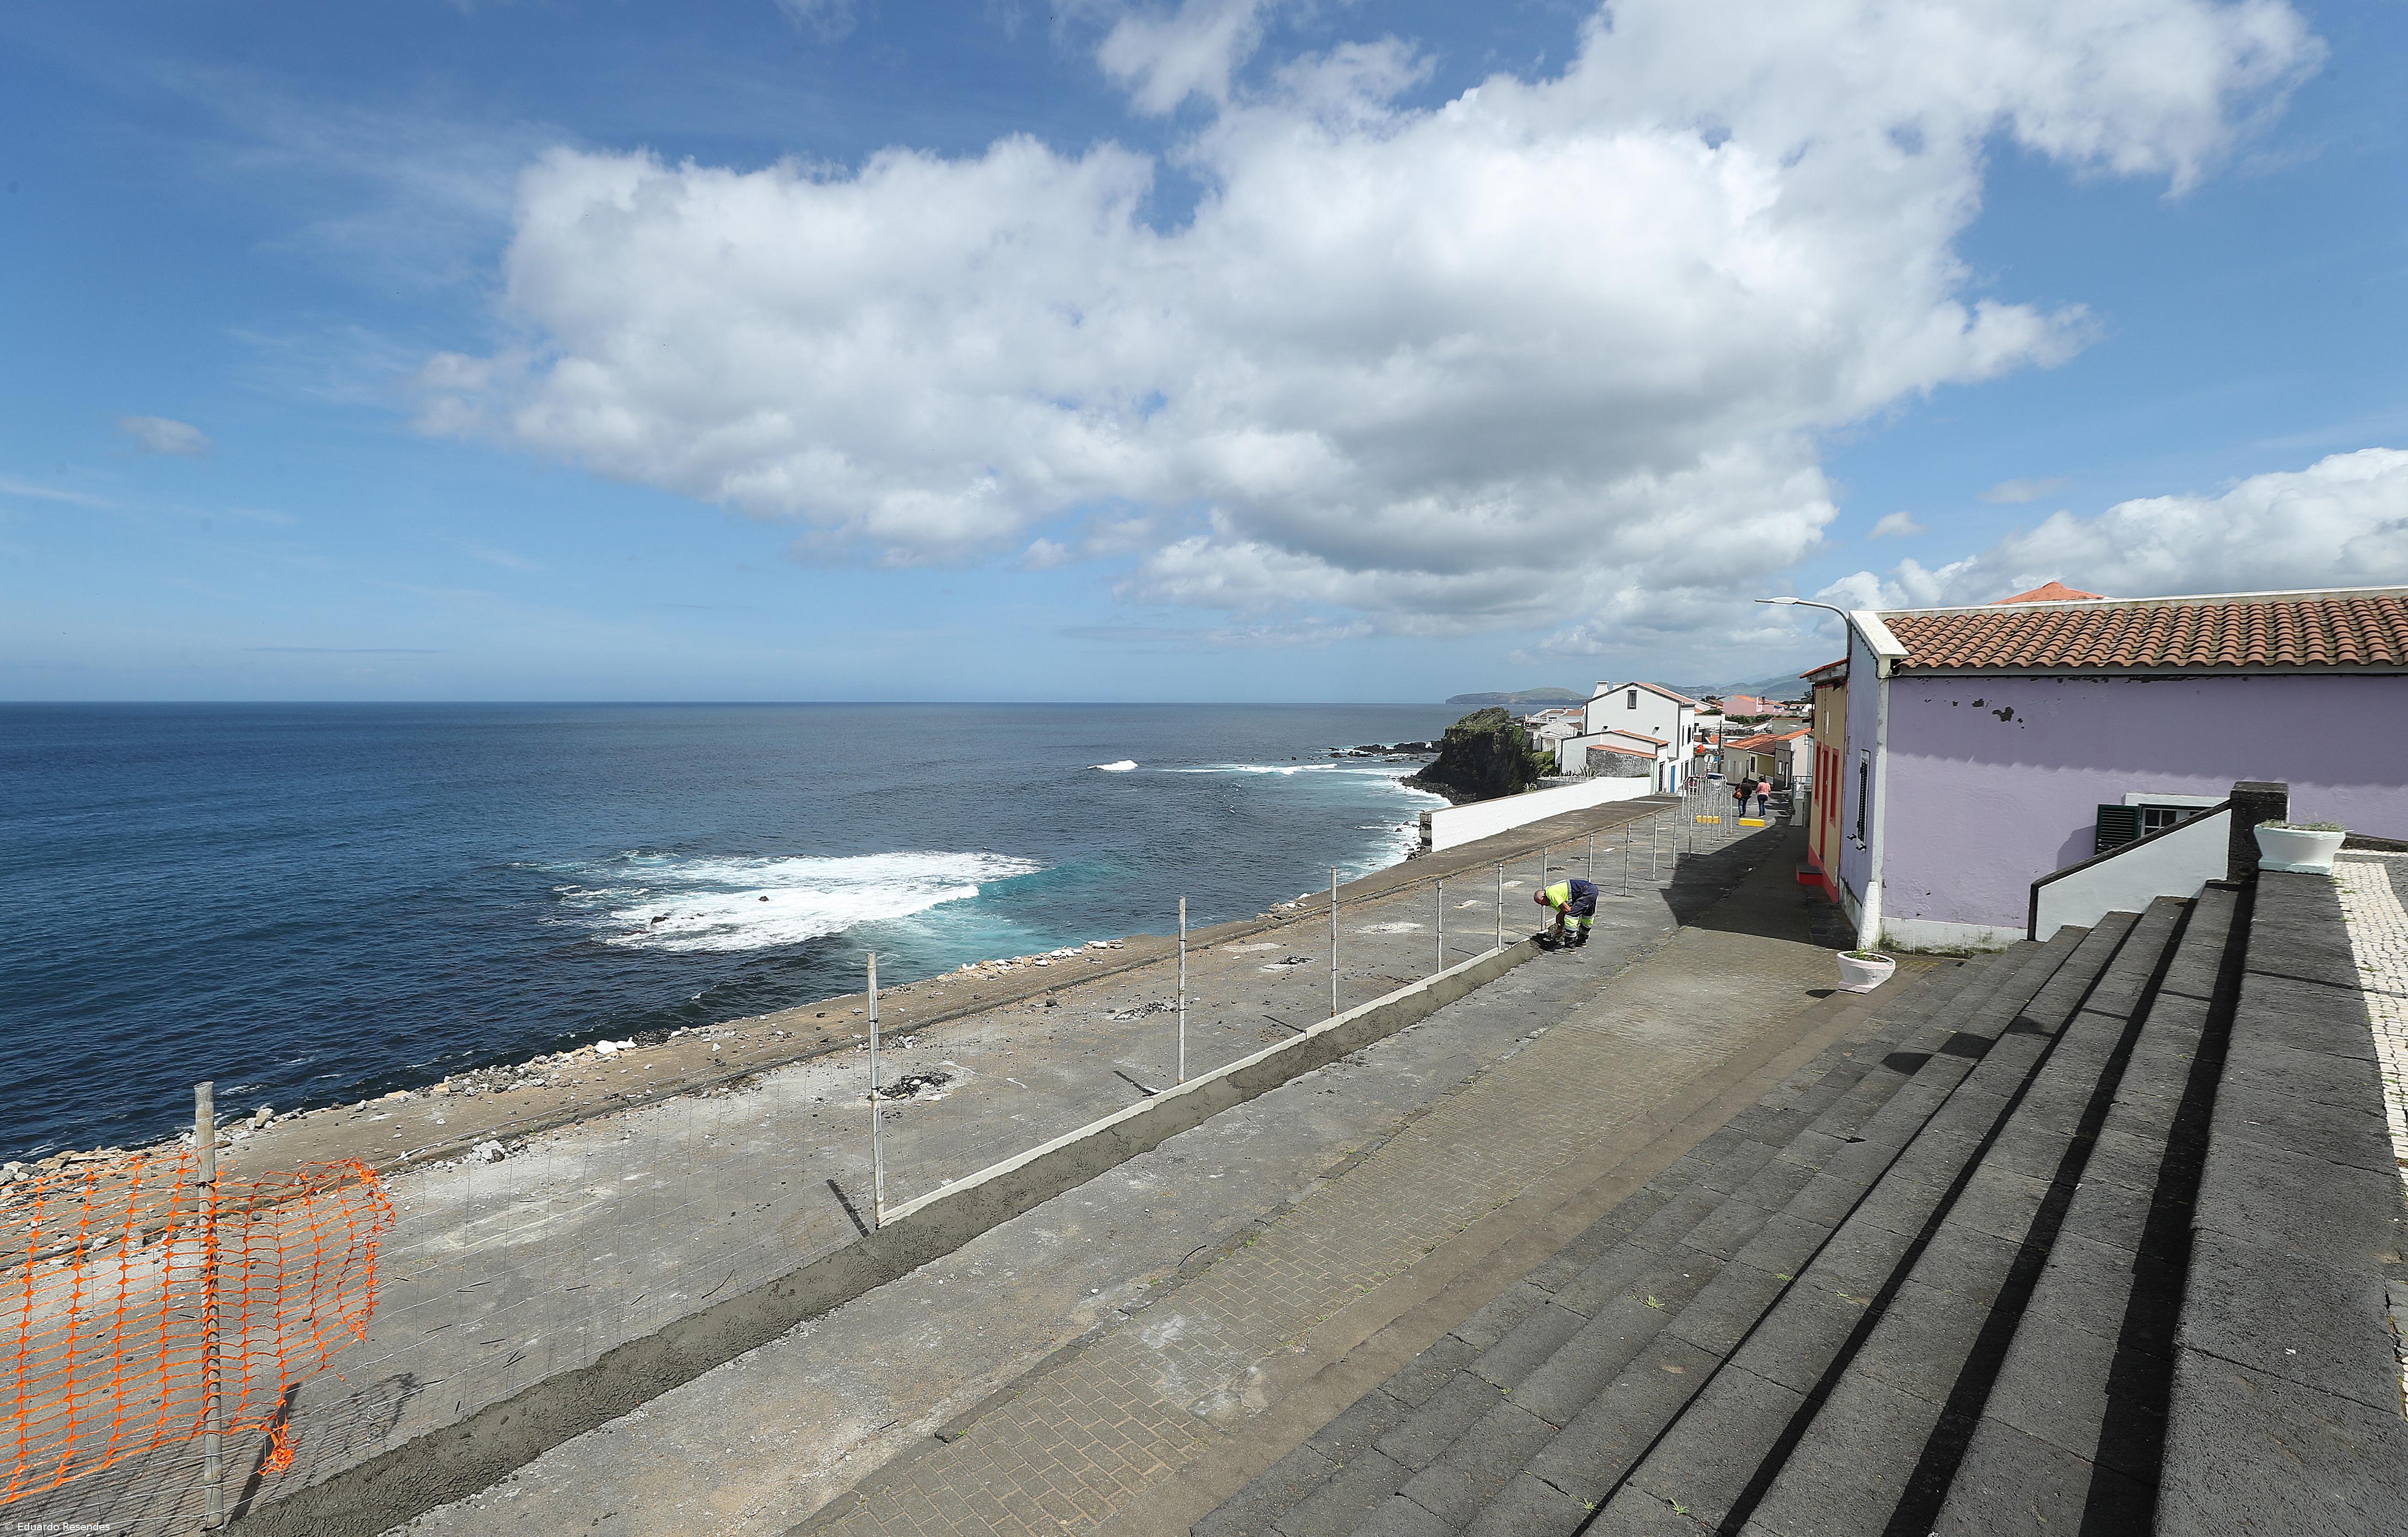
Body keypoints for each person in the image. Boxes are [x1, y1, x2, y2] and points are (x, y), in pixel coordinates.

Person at [1533, 877, 1599, 947]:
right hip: (1591, 891)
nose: (1542, 905)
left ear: (1543, 897)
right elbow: (1563, 913)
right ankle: (1581, 942)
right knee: (1587, 917)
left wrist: (1559, 915)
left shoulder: (1551, 893)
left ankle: (1570, 947)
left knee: (1571, 917)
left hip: (1587, 891)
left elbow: (1567, 910)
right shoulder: (1551, 900)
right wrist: (1560, 929)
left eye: (1541, 903)